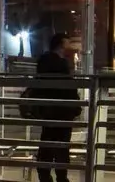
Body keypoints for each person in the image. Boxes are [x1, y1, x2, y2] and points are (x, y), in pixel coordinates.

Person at [21, 33, 78, 182]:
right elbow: (69, 86)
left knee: (47, 142)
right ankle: (61, 177)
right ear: (61, 44)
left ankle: (44, 175)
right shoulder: (62, 64)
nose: (69, 45)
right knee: (62, 146)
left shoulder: (44, 62)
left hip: (48, 109)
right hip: (63, 110)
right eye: (67, 41)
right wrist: (75, 106)